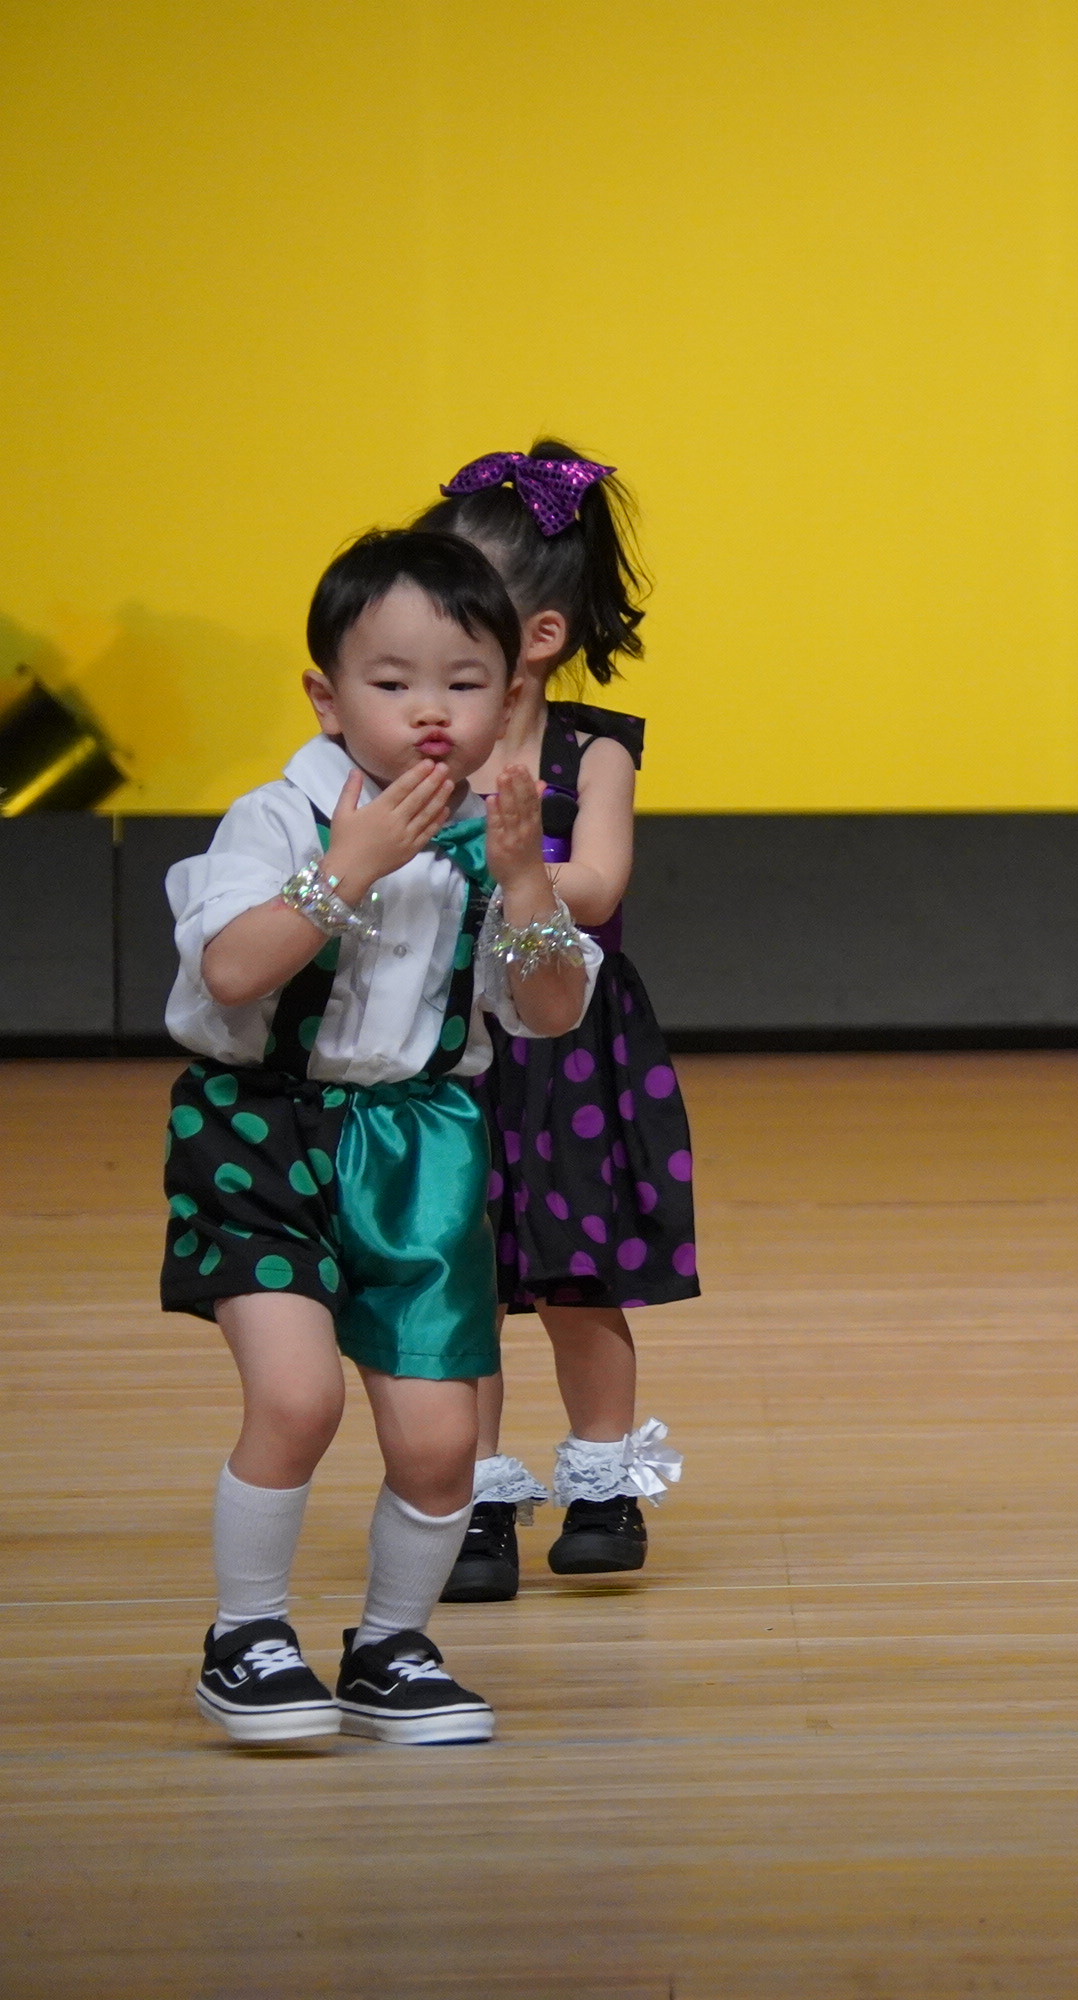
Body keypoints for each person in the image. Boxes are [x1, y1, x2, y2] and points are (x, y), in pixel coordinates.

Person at [170, 529, 599, 1744]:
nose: (430, 710)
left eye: (464, 683)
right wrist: (344, 868)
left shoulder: (495, 836)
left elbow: (551, 1010)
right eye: (392, 680)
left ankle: (391, 1646)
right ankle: (247, 1633)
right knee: (298, 1396)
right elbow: (232, 969)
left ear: (507, 699)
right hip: (261, 1126)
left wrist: (525, 881)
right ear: (327, 695)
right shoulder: (278, 816)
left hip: (421, 1140)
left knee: (440, 1437)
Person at [415, 443, 693, 1601]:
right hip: (442, 1043)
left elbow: (601, 881)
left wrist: (510, 863)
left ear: (536, 633)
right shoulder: (416, 747)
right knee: (460, 1278)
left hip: (568, 1044)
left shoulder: (595, 749)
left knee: (581, 1275)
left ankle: (601, 1482)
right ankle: (472, 1497)